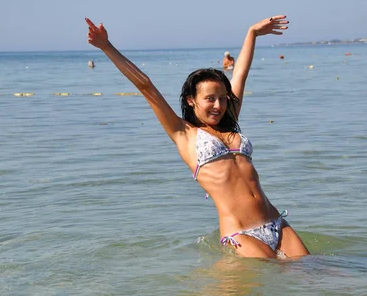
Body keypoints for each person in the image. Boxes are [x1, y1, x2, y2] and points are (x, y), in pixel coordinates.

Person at [85, 15, 310, 259]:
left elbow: (241, 74)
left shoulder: (230, 121)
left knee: (318, 279)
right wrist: (106, 46)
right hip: (241, 234)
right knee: (258, 291)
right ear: (192, 100)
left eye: (223, 98)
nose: (218, 105)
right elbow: (146, 86)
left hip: (277, 223)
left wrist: (252, 33)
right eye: (210, 99)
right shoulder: (183, 133)